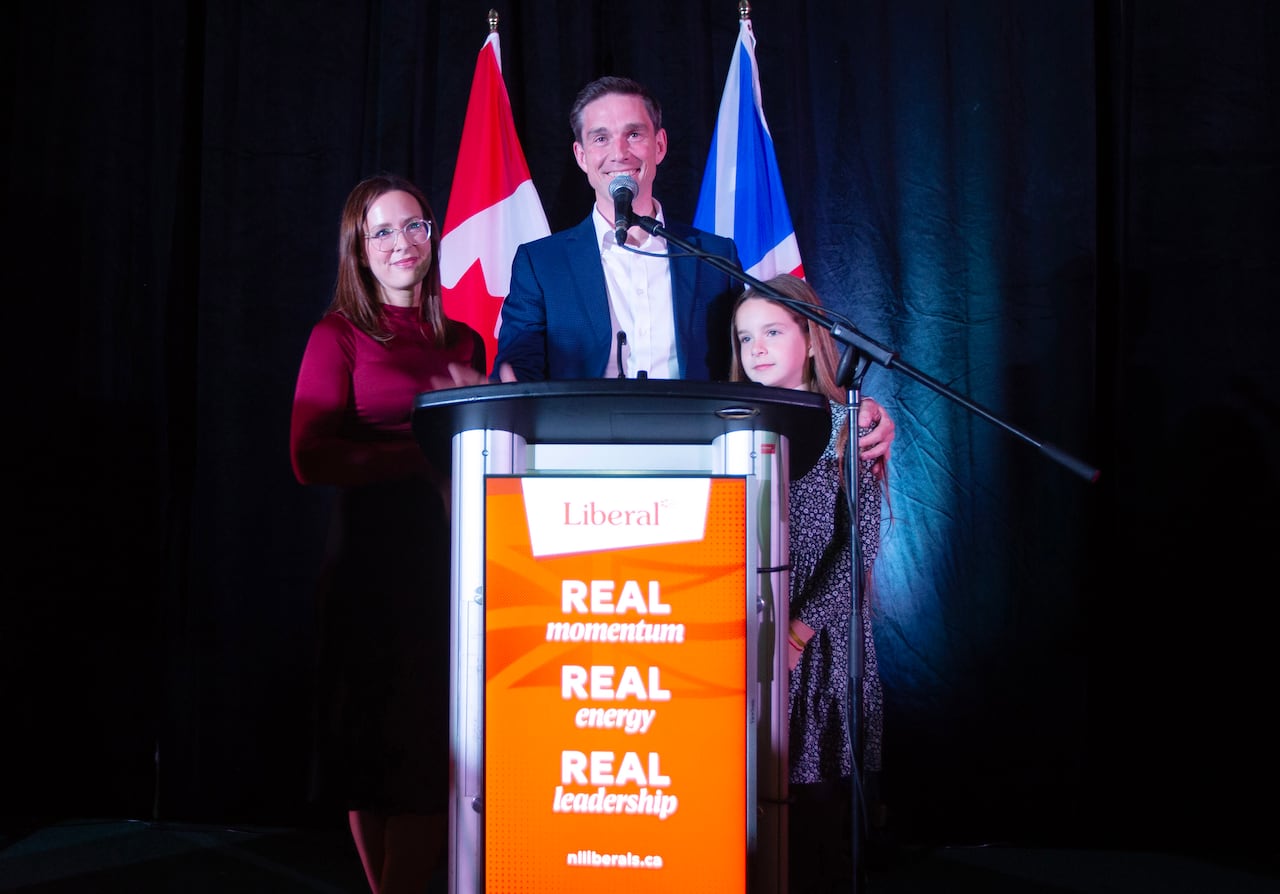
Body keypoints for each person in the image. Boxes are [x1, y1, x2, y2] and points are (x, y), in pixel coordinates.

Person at [440, 74, 896, 464]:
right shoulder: (541, 263)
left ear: (659, 145)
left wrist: (850, 413)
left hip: (702, 461)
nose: (618, 151)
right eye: (600, 138)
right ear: (581, 156)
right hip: (580, 463)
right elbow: (519, 364)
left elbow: (761, 359)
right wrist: (506, 379)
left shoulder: (713, 256)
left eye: (634, 134)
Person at [290, 173, 485, 894]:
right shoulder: (336, 335)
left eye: (413, 227)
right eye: (382, 232)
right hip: (369, 562)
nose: (401, 243)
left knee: (427, 757)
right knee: (365, 757)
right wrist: (425, 447)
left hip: (445, 567)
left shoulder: (463, 338)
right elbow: (308, 457)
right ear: (359, 251)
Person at [730, 273, 890, 893]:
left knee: (813, 809)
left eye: (773, 331)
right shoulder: (734, 433)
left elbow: (860, 548)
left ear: (810, 336)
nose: (759, 348)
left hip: (816, 647)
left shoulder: (848, 427)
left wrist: (796, 635)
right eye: (746, 338)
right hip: (748, 635)